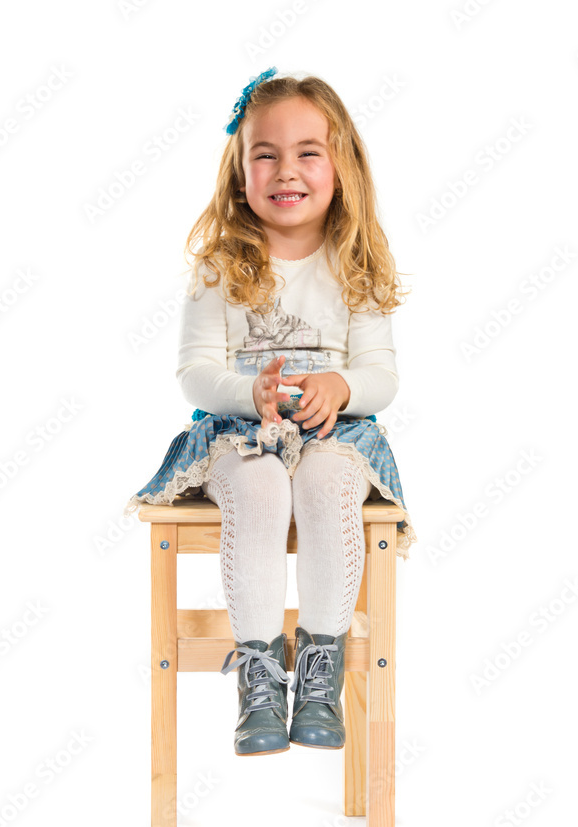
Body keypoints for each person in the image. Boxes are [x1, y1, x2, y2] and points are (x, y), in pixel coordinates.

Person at [124, 67, 417, 758]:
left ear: (341, 168)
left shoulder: (356, 265)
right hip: (239, 438)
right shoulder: (221, 266)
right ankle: (257, 676)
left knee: (322, 484)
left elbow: (382, 375)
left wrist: (341, 388)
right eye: (266, 154)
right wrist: (246, 395)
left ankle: (318, 675)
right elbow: (195, 371)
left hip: (332, 439)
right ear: (240, 175)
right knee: (258, 486)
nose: (287, 169)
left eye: (307, 151)